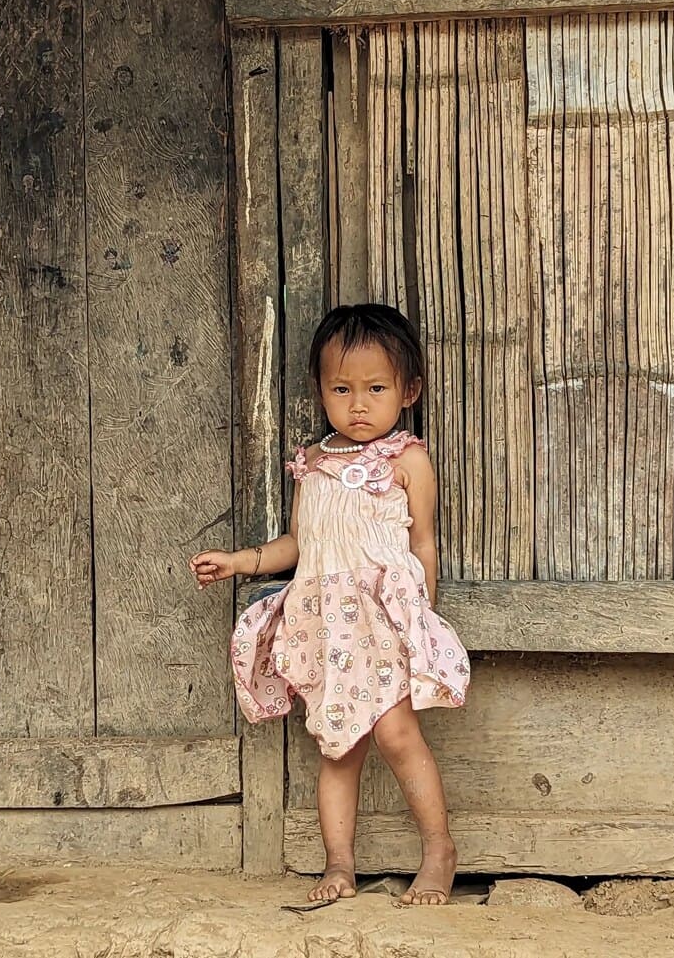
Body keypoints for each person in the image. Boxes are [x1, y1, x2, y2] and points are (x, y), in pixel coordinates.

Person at [189, 303, 470, 905]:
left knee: (397, 735)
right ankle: (339, 865)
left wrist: (424, 620)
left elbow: (424, 541)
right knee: (338, 747)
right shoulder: (312, 463)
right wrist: (241, 561)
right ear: (321, 390)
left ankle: (439, 847)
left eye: (375, 388)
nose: (358, 404)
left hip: (381, 623)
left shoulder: (406, 461)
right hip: (326, 629)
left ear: (408, 390)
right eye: (342, 389)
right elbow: (300, 543)